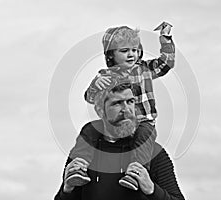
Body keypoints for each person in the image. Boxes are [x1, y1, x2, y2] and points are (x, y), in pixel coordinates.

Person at [68, 22, 176, 190]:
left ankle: (135, 174)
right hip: (116, 125)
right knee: (89, 130)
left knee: (144, 136)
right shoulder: (106, 76)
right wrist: (96, 85)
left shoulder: (145, 69)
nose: (131, 54)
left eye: (134, 50)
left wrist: (166, 39)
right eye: (124, 51)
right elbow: (90, 98)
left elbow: (166, 63)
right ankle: (79, 168)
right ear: (111, 55)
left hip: (143, 122)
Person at [54, 79, 185, 200]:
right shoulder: (84, 153)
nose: (126, 109)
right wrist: (67, 189)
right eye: (117, 103)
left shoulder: (153, 152)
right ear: (100, 111)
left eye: (130, 102)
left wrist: (152, 189)